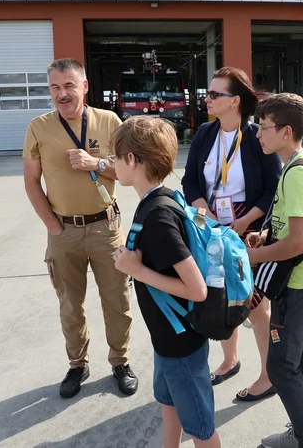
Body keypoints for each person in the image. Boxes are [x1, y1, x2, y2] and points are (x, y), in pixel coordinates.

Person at [22, 58, 137, 399]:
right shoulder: (38, 127)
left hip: (106, 227)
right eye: (55, 87)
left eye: (69, 85)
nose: (62, 94)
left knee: (117, 300)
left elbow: (128, 173)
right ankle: (78, 364)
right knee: (70, 304)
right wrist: (52, 227)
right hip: (64, 232)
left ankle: (120, 361)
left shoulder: (109, 121)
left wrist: (97, 163)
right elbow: (31, 182)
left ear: (84, 87)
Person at [111, 116, 222, 448]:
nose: (111, 163)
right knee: (169, 402)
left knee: (201, 427)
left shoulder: (158, 217)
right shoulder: (165, 197)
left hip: (180, 344)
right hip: (168, 339)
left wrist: (137, 270)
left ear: (132, 160)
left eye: (115, 157)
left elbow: (197, 289)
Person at [181, 66, 282, 400]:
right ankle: (230, 359)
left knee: (253, 303)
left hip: (246, 229)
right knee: (219, 295)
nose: (207, 99)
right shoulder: (205, 134)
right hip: (209, 224)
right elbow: (190, 181)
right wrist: (204, 213)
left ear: (235, 101)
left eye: (214, 94)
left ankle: (268, 375)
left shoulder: (256, 137)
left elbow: (272, 189)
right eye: (207, 94)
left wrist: (245, 223)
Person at [246, 93, 303, 448]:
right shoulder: (291, 167)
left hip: (296, 283)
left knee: (281, 367)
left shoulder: (298, 174)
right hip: (298, 281)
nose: (258, 134)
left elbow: (298, 243)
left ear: (286, 130)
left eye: (263, 127)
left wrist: (254, 259)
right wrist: (265, 235)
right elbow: (291, 229)